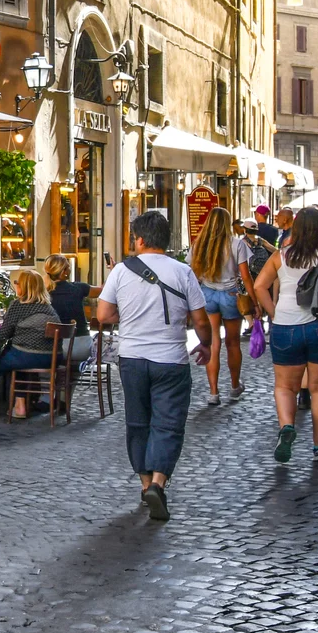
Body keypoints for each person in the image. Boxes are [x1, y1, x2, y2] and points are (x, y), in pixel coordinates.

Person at [97, 210, 212, 521]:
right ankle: (158, 484)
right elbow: (200, 319)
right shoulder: (183, 272)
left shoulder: (120, 271)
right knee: (168, 423)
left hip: (132, 358)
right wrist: (206, 344)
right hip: (171, 360)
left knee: (138, 423)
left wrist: (131, 317)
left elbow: (104, 315)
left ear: (140, 239)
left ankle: (145, 483)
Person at [251, 207, 318, 464]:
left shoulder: (281, 255)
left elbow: (259, 286)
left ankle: (287, 426)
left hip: (285, 325)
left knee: (285, 386)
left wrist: (273, 313)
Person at [190, 207, 251, 405]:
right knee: (232, 343)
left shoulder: (199, 244)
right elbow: (245, 276)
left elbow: (192, 274)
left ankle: (213, 392)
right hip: (230, 294)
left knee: (212, 343)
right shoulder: (236, 245)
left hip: (207, 293)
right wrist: (253, 302)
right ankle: (234, 386)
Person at [42, 254, 95, 364]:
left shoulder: (41, 294)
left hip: (52, 350)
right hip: (82, 347)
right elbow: (105, 290)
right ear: (64, 272)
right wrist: (113, 271)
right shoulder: (79, 288)